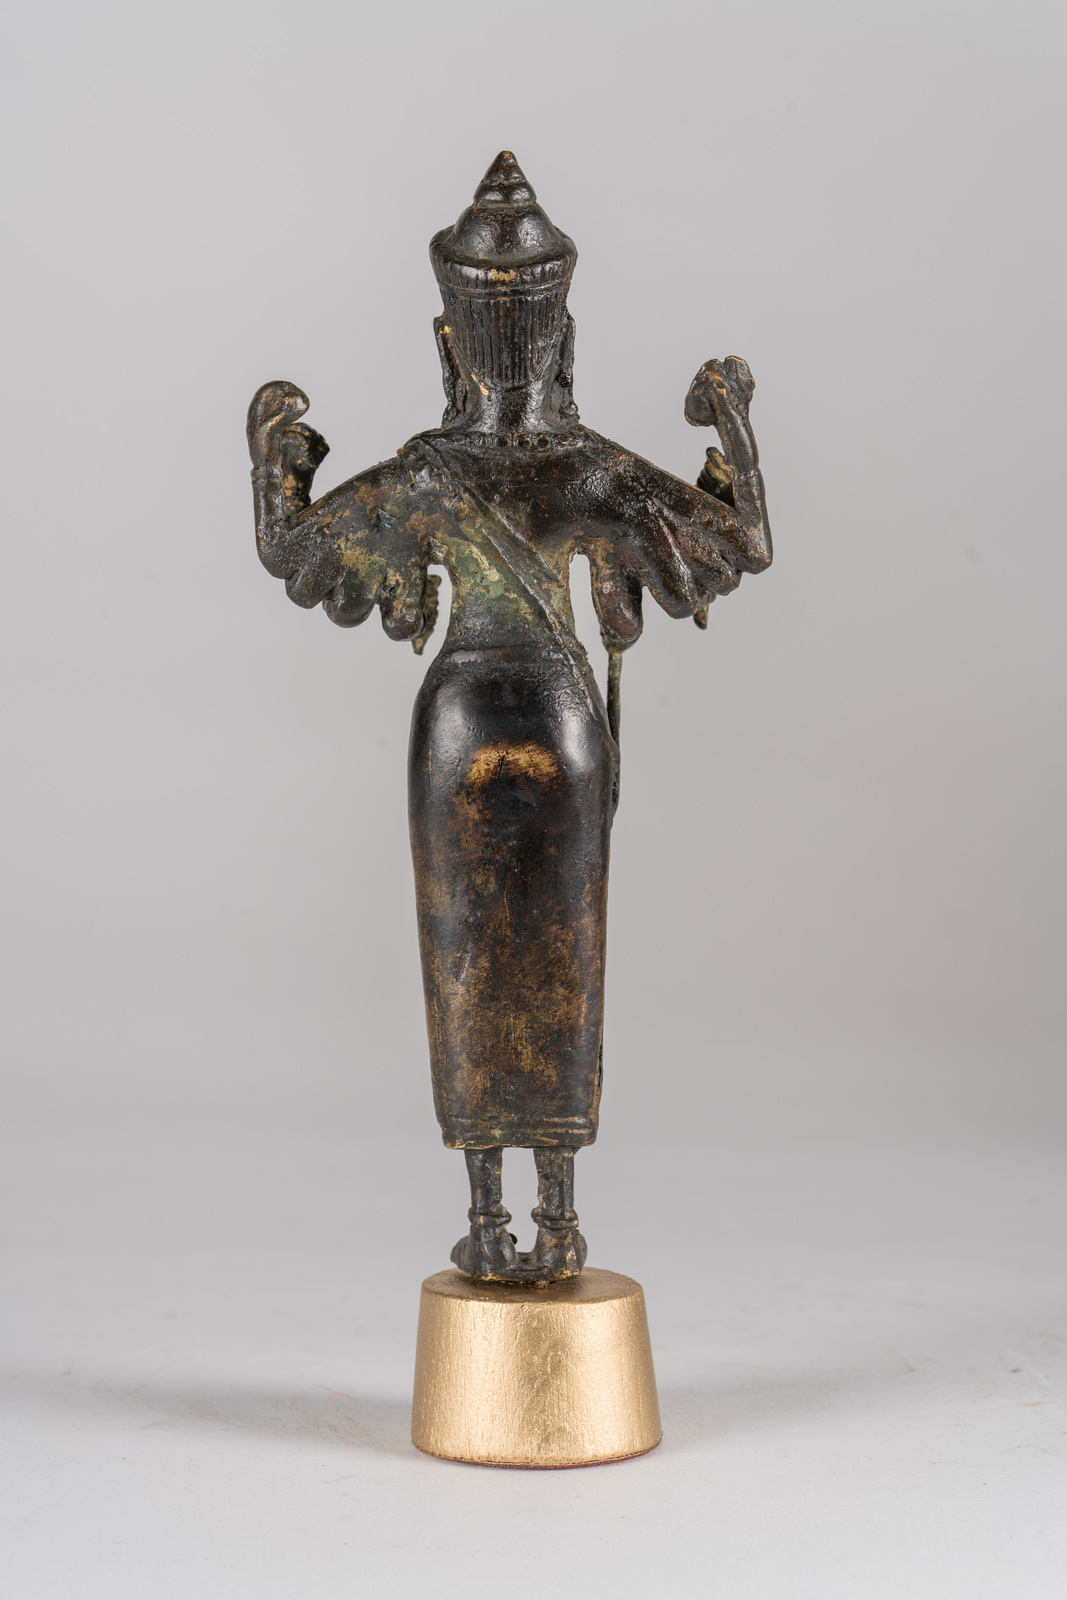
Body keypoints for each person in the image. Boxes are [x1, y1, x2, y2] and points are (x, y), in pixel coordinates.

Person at [247, 152, 771, 1283]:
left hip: (458, 728)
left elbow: (295, 553)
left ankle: (484, 1218)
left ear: (451, 348)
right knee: (563, 953)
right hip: (560, 722)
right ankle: (561, 1216)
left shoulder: (426, 471)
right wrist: (731, 429)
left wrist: (271, 450)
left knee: (467, 955)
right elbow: (739, 546)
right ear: (560, 343)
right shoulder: (587, 467)